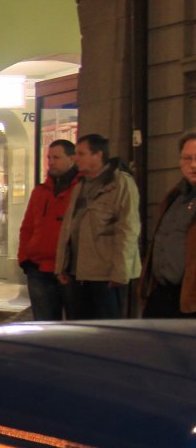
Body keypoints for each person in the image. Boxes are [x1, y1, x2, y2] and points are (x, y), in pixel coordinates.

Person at [56, 133, 141, 319]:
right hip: (78, 273)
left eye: (81, 154)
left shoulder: (120, 183)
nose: (75, 158)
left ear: (98, 155)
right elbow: (68, 227)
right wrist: (62, 265)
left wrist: (120, 273)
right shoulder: (80, 186)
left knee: (106, 328)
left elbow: (128, 228)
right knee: (81, 327)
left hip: (105, 275)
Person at [16, 139, 80, 320]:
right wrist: (24, 259)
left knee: (76, 323)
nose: (51, 162)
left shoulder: (80, 189)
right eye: (49, 157)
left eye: (56, 158)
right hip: (38, 268)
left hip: (69, 269)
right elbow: (27, 227)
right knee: (44, 324)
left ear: (72, 159)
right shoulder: (41, 191)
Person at [141, 130, 196, 318]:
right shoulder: (174, 196)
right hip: (163, 293)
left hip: (190, 299)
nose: (193, 165)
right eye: (187, 158)